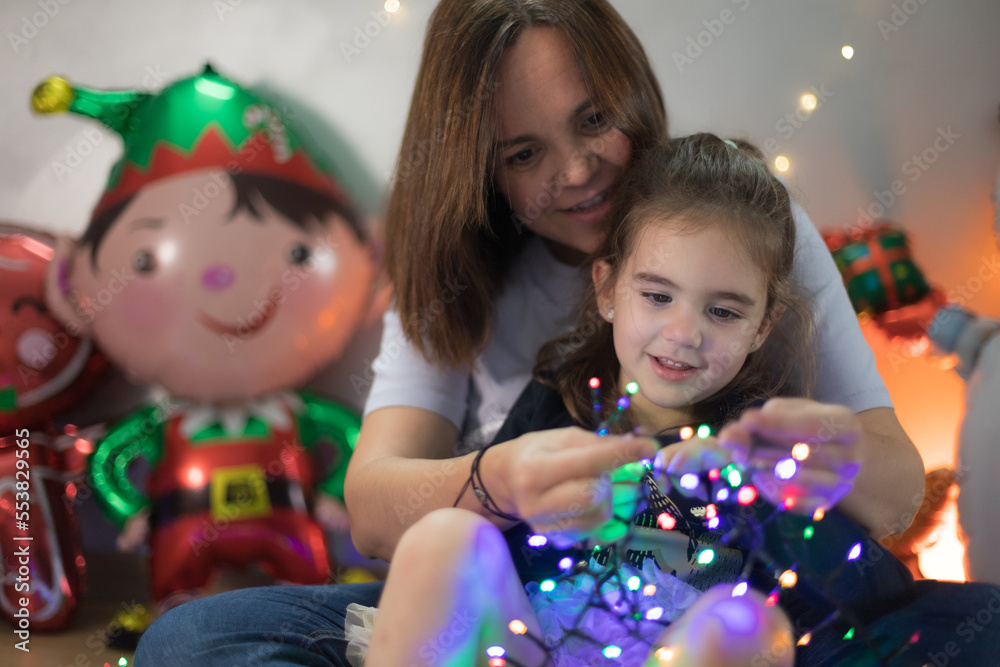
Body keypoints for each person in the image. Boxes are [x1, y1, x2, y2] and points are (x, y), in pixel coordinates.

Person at [135, 1, 925, 664]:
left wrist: (818, 462)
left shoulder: (746, 218)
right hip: (521, 597)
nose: (578, 170)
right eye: (523, 152)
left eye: (593, 119)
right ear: (607, 290)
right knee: (194, 637)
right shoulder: (484, 300)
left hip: (713, 606)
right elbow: (375, 510)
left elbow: (893, 502)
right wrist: (496, 482)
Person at [359, 133, 815, 666]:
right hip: (530, 643)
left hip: (665, 654)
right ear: (607, 290)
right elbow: (484, 545)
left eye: (724, 313)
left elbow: (809, 584)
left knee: (748, 629)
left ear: (762, 327)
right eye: (658, 296)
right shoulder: (558, 404)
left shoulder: (756, 449)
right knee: (444, 533)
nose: (684, 332)